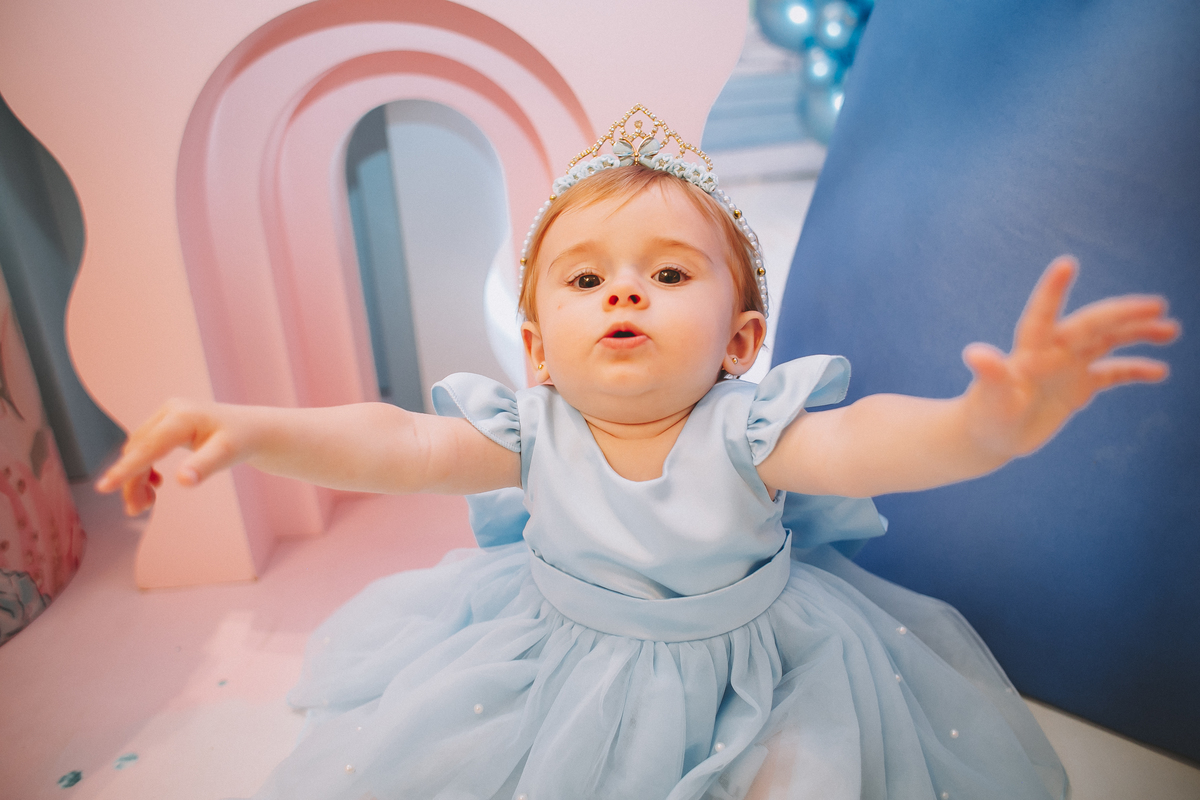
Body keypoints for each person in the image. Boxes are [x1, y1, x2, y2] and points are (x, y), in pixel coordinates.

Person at [98, 106, 1178, 800]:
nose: (624, 290)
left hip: (761, 664)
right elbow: (402, 442)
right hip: (560, 661)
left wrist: (996, 421)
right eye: (584, 278)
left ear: (742, 340)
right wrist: (250, 428)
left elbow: (877, 443)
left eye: (669, 275)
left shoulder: (750, 430)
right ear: (534, 348)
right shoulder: (534, 430)